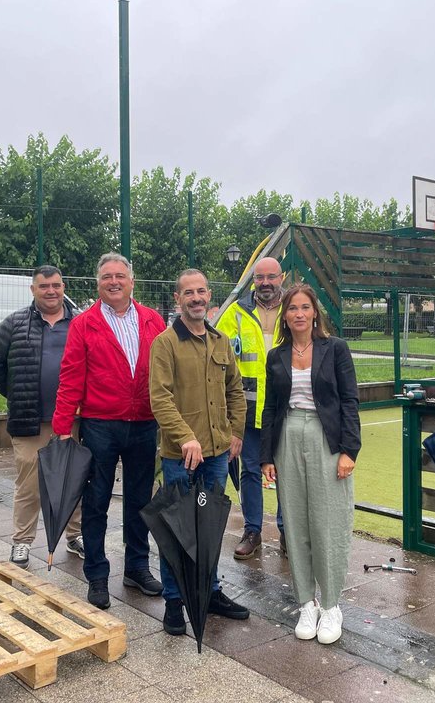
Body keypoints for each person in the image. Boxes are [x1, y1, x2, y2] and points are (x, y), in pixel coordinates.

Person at [52, 253, 166, 609]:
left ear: (132, 281)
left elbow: (166, 373)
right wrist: (62, 426)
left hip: (145, 423)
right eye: (106, 277)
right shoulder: (84, 324)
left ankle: (136, 567)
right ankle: (97, 575)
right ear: (97, 283)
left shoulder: (153, 320)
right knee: (97, 501)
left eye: (119, 276)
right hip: (100, 425)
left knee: (140, 500)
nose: (113, 282)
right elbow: (71, 376)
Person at [149, 268, 250, 635]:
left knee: (208, 528)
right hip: (180, 457)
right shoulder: (165, 344)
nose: (196, 298)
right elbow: (159, 398)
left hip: (217, 455)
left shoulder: (221, 341)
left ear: (209, 296)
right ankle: (174, 601)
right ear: (178, 299)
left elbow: (235, 391)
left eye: (201, 292)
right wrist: (185, 437)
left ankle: (211, 592)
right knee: (177, 530)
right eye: (188, 293)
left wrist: (235, 432)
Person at [261, 284, 361, 645]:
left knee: (328, 523)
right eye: (292, 308)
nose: (299, 314)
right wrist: (265, 456)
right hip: (289, 435)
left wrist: (349, 450)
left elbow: (350, 400)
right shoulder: (276, 355)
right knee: (296, 523)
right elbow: (270, 407)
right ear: (285, 315)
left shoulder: (335, 349)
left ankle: (332, 605)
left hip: (326, 439)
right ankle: (307, 602)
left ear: (314, 312)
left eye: (305, 307)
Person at [0, 265, 83, 570]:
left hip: (75, 420)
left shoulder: (80, 323)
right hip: (30, 421)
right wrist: (18, 394)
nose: (50, 291)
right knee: (29, 485)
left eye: (55, 285)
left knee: (74, 481)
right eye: (44, 286)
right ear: (33, 290)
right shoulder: (14, 324)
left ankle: (75, 535)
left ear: (64, 286)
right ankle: (22, 542)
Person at [216, 256, 285, 559]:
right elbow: (221, 360)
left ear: (281, 277)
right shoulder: (236, 312)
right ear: (253, 281)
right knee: (251, 472)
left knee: (287, 472)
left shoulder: (294, 307)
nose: (266, 283)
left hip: (286, 407)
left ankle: (288, 531)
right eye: (260, 278)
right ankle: (253, 529)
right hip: (248, 407)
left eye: (271, 277)